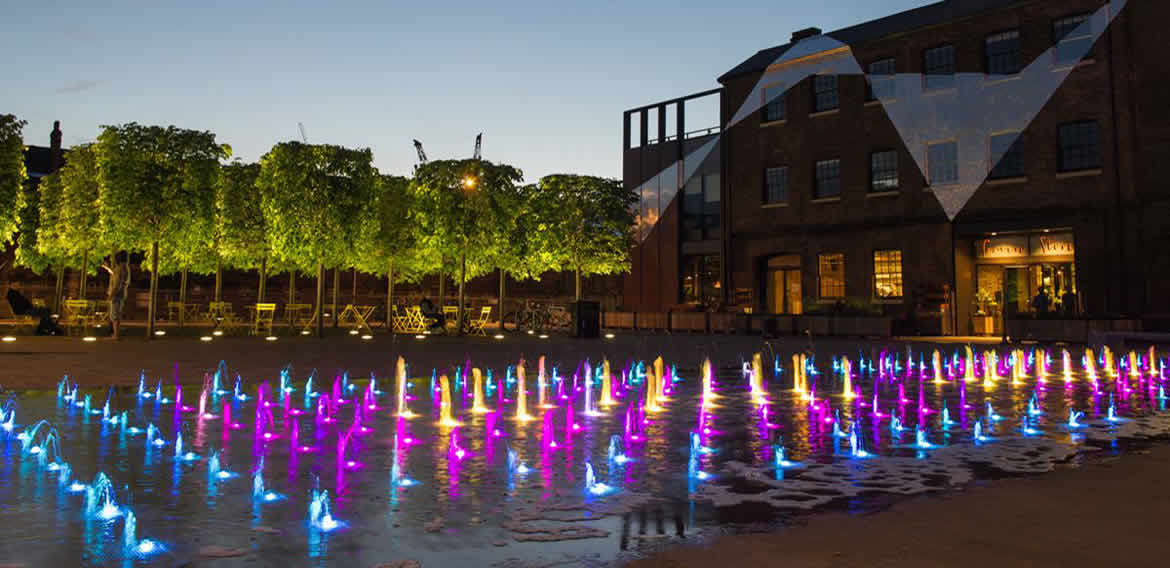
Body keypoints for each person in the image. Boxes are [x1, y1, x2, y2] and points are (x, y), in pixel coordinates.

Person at [103, 252, 131, 340]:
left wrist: (111, 295)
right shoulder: (125, 268)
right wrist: (108, 268)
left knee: (114, 315)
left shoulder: (120, 269)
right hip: (121, 293)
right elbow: (116, 275)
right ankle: (116, 334)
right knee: (116, 313)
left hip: (117, 294)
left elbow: (117, 283)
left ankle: (116, 335)